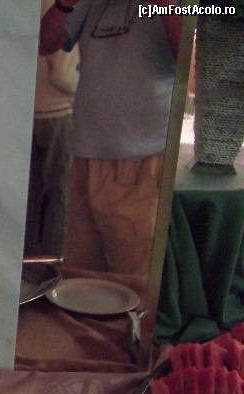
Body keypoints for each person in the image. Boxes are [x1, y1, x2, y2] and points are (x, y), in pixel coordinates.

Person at [39, 0, 180, 278]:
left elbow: (189, 58)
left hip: (143, 162)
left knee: (132, 284)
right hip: (85, 157)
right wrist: (65, 3)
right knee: (80, 281)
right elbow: (43, 43)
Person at [25, 0, 79, 257]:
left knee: (30, 199)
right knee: (60, 198)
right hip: (58, 112)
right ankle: (53, 265)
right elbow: (64, 75)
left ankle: (25, 265)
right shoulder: (63, 5)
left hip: (27, 110)